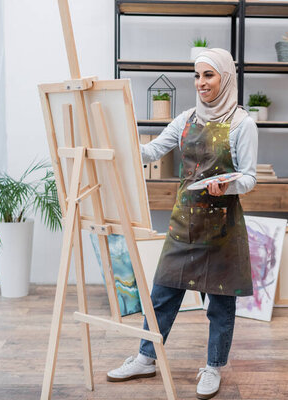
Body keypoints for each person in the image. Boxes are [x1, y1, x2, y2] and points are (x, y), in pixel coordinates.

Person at [107, 48, 258, 400]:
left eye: (209, 75)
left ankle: (213, 367)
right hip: (184, 224)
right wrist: (116, 137)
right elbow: (152, 151)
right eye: (197, 76)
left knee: (220, 305)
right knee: (162, 294)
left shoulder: (242, 124)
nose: (201, 83)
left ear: (226, 78)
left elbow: (249, 178)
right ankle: (146, 358)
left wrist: (228, 186)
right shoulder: (186, 118)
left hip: (222, 228)